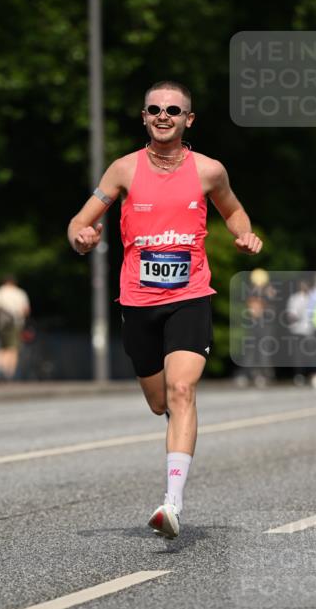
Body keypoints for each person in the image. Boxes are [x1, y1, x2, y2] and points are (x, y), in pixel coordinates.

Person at [67, 80, 263, 539]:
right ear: (143, 116)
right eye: (154, 109)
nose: (163, 116)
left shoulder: (210, 170)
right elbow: (80, 221)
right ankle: (173, 473)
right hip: (137, 302)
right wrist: (81, 237)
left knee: (181, 391)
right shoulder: (124, 170)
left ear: (188, 119)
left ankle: (172, 503)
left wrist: (244, 234)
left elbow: (233, 210)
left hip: (190, 297)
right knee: (160, 403)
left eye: (173, 110)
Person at [0, 274, 31, 381]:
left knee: (2, 347)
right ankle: (9, 372)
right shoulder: (20, 293)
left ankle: (0, 368)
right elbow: (26, 310)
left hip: (1, 324)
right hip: (16, 323)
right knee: (13, 348)